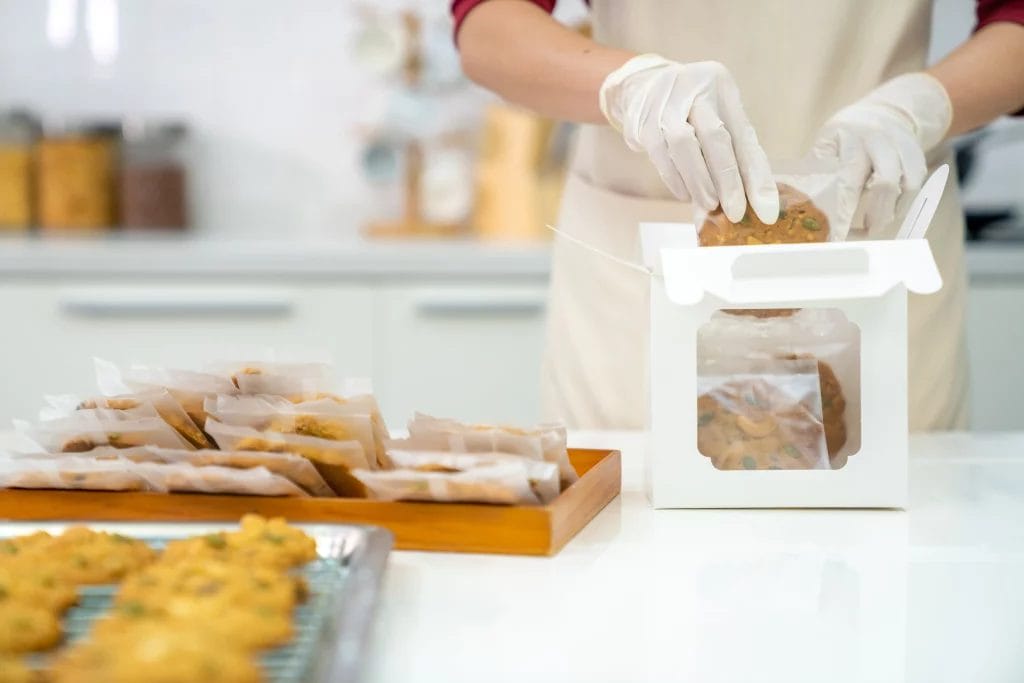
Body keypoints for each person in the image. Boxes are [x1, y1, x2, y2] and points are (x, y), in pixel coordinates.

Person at [452, 0, 1024, 430]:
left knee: (893, 553)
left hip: (874, 234)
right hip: (645, 268)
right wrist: (630, 88)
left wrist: (922, 106)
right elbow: (489, 24)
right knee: (632, 561)